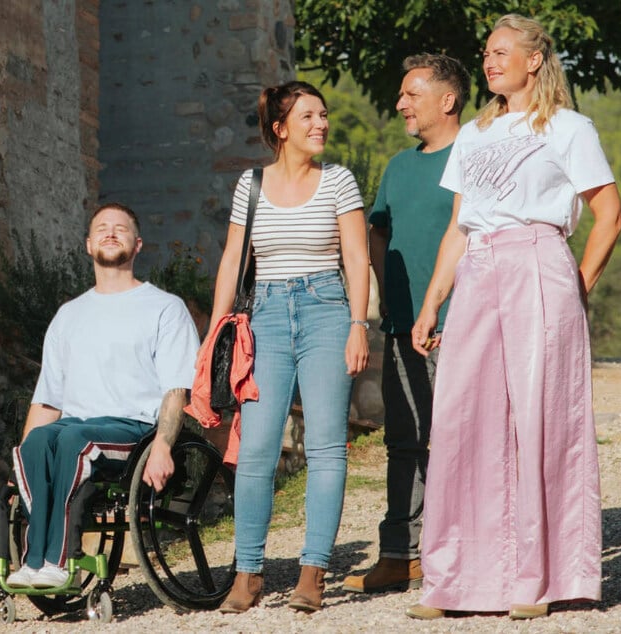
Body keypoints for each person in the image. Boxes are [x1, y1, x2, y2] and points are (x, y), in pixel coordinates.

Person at [405, 14, 621, 620]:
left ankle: (537, 580)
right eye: (485, 52)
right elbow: (458, 225)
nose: (489, 61)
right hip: (477, 269)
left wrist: (575, 286)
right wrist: (431, 303)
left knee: (538, 415)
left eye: (502, 52)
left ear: (534, 60)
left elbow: (609, 215)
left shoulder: (569, 127)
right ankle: (453, 581)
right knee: (460, 419)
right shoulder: (473, 134)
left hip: (540, 262)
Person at [211, 80, 371, 614]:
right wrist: (215, 333)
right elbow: (233, 259)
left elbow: (356, 257)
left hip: (327, 308)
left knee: (325, 447)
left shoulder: (339, 181)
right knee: (256, 448)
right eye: (308, 117)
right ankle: (248, 574)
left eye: (323, 115)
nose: (321, 124)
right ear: (280, 130)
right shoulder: (249, 184)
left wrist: (357, 324)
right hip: (269, 318)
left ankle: (312, 572)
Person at [6, 202, 200, 588]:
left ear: (138, 244)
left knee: (74, 440)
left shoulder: (164, 308)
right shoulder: (68, 316)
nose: (111, 233)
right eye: (102, 228)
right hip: (75, 429)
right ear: (88, 245)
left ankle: (57, 562)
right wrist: (24, 466)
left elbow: (176, 389)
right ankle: (33, 564)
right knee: (34, 443)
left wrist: (162, 445)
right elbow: (47, 400)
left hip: (134, 429)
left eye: (121, 228)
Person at [343, 53, 471, 594]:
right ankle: (399, 554)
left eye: (411, 94)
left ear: (448, 99)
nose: (400, 104)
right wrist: (390, 298)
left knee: (462, 440)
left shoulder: (478, 156)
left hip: (464, 324)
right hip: (401, 326)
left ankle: (461, 554)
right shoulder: (399, 165)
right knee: (404, 440)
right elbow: (377, 231)